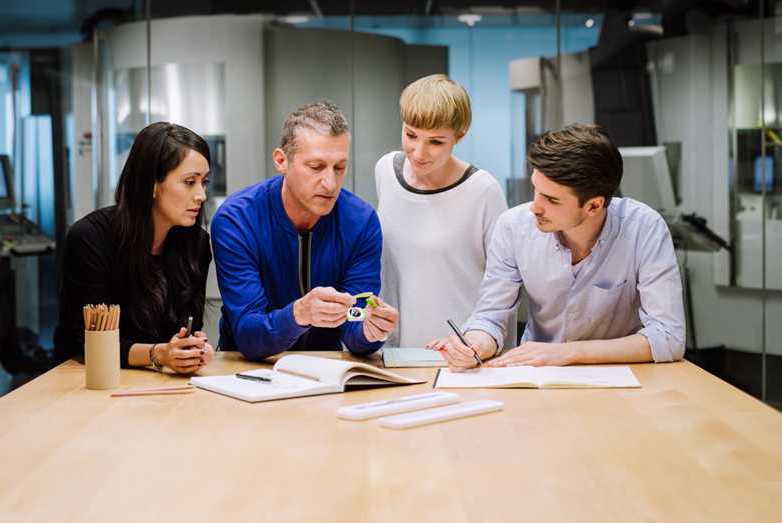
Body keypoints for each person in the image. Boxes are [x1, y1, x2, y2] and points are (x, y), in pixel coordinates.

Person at [438, 123, 686, 369]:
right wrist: (473, 344)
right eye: (536, 190)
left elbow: (669, 336)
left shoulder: (644, 228)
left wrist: (568, 353)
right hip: (538, 376)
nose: (535, 206)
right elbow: (491, 315)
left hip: (623, 375)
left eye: (551, 199)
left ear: (593, 206)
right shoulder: (513, 227)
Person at [211, 101, 399, 360]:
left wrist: (369, 331)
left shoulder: (361, 222)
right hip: (245, 369)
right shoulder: (237, 220)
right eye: (316, 167)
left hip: (323, 369)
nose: (330, 183)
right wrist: (299, 314)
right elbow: (247, 334)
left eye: (340, 167)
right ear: (281, 161)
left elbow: (353, 319)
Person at [54, 122, 214, 374]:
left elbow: (187, 328)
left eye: (204, 182)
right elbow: (85, 342)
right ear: (152, 184)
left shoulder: (196, 244)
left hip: (157, 382)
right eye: (189, 182)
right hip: (85, 379)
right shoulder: (90, 238)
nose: (201, 195)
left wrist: (193, 347)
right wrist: (159, 353)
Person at [376, 74, 507, 347]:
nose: (419, 152)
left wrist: (480, 344)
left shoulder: (483, 191)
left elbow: (503, 285)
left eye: (436, 142)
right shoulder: (386, 171)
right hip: (391, 350)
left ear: (460, 136)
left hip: (458, 351)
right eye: (411, 134)